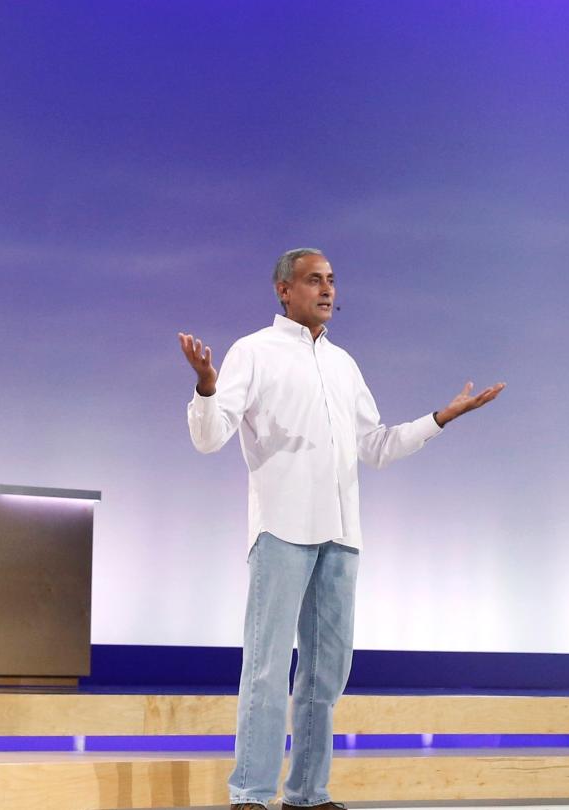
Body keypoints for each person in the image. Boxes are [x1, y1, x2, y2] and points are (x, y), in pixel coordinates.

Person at [177, 248, 504, 810]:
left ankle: (306, 793)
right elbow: (210, 437)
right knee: (266, 669)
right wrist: (207, 386)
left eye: (331, 281)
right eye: (313, 280)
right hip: (281, 529)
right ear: (284, 289)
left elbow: (372, 447)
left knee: (326, 676)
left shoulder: (343, 364)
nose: (327, 290)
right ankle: (250, 795)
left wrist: (440, 418)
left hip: (340, 535)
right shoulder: (253, 352)